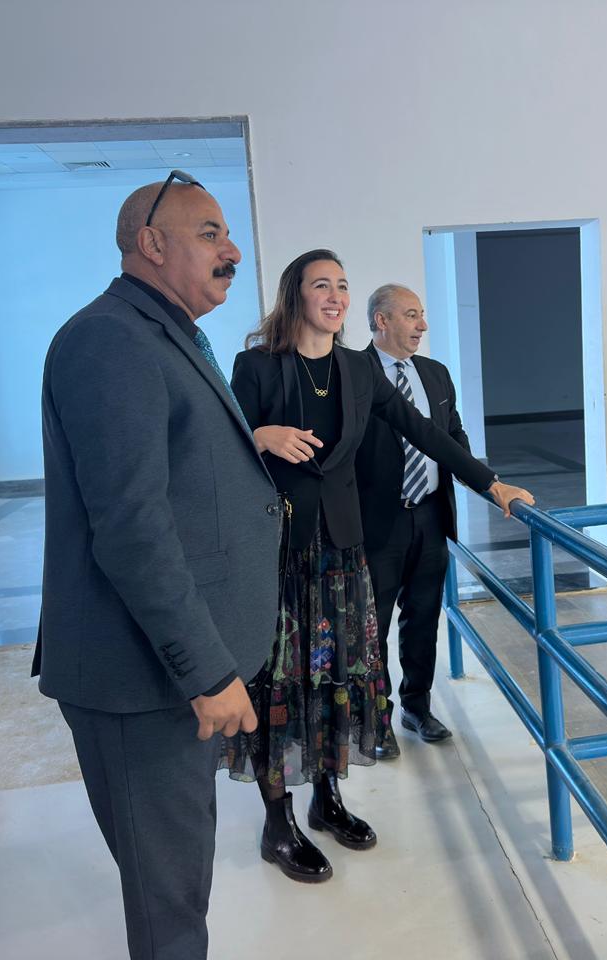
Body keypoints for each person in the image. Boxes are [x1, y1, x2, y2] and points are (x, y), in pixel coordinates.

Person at [223, 249, 533, 884]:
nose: (335, 295)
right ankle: (277, 821)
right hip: (279, 553)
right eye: (321, 285)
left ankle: (327, 797)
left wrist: (491, 484)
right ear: (295, 294)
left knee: (337, 675)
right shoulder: (256, 366)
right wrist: (259, 436)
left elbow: (426, 431)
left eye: (342, 285)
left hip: (342, 552)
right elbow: (216, 446)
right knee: (279, 681)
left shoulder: (358, 370)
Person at [35, 172, 281, 959]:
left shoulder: (165, 334)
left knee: (179, 882)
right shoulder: (111, 341)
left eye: (227, 234)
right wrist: (205, 669)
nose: (231, 250)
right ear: (150, 243)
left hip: (164, 675)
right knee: (167, 902)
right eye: (209, 233)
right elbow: (131, 526)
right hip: (139, 679)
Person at [356, 284, 468, 759]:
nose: (422, 325)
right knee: (373, 626)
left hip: (430, 516)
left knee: (422, 619)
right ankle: (375, 719)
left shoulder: (436, 374)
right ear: (381, 321)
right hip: (376, 524)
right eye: (410, 315)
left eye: (421, 314)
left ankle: (416, 707)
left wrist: (487, 482)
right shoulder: (354, 374)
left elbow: (453, 435)